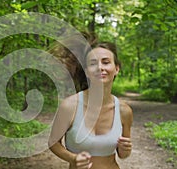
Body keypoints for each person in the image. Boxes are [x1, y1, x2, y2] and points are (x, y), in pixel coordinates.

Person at [48, 33, 133, 169]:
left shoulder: (124, 111)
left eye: (105, 62)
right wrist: (73, 158)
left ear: (116, 69)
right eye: (93, 63)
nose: (100, 67)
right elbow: (53, 143)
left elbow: (122, 154)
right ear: (87, 71)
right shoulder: (70, 106)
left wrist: (125, 151)